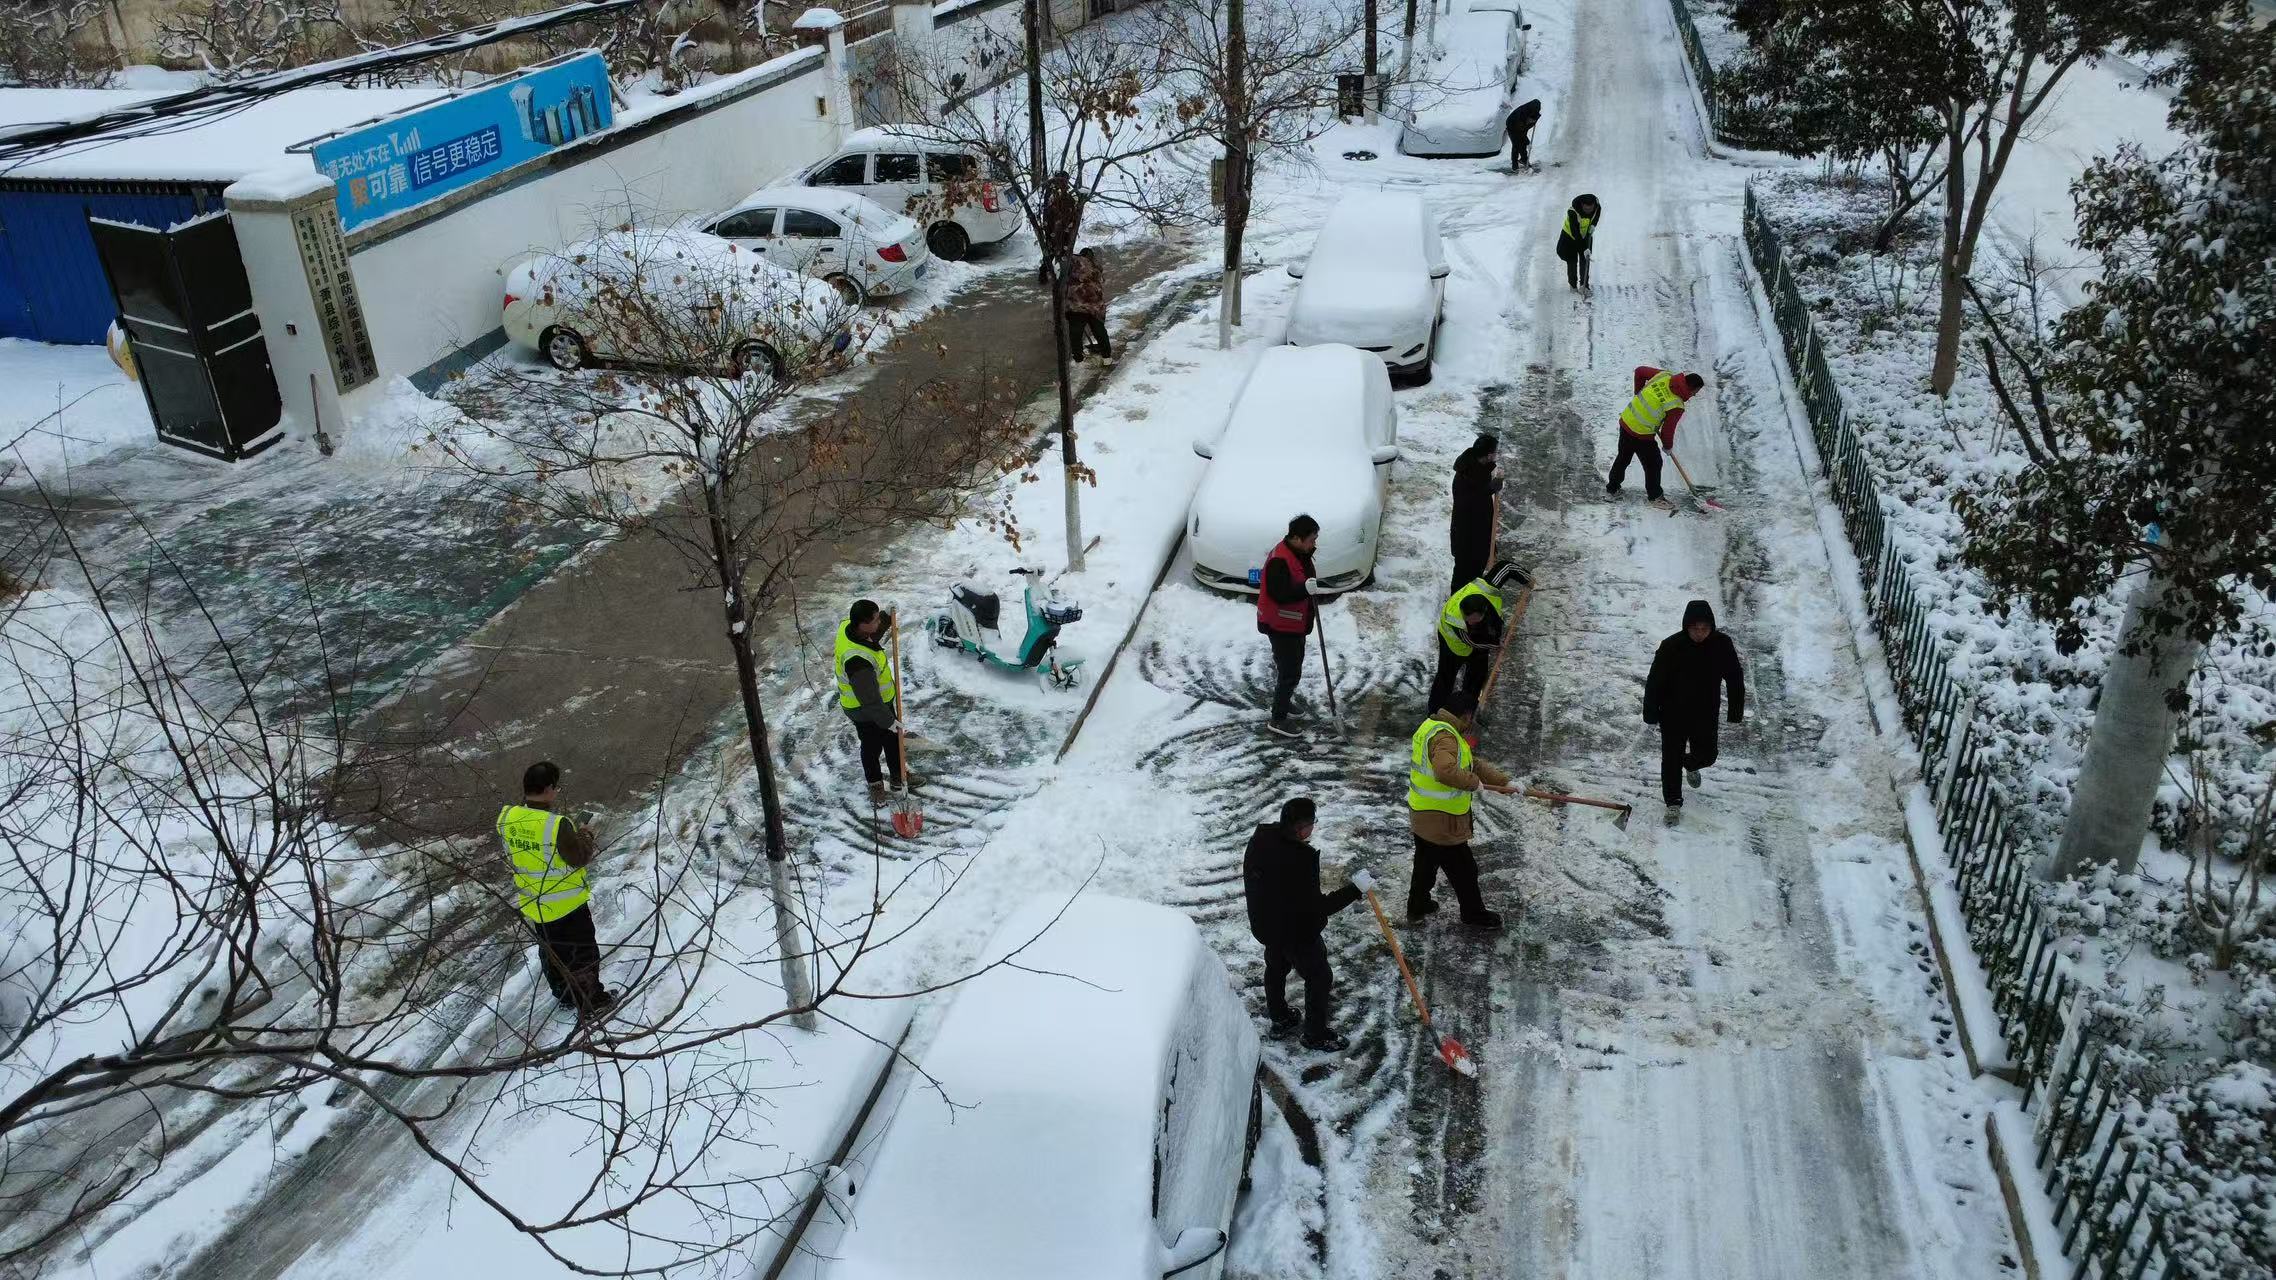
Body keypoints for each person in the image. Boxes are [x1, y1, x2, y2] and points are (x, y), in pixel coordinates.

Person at [1242, 797, 1368, 1052]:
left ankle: (1280, 1017)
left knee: (1276, 967)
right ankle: (1315, 1035)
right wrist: (1355, 890)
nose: (1313, 828)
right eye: (1312, 823)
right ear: (1301, 828)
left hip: (1267, 925)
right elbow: (1316, 907)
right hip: (1295, 931)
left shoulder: (1261, 839)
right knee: (1319, 977)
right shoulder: (1299, 859)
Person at [499, 761, 618, 1018]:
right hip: (566, 903)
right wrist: (585, 835)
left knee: (552, 952)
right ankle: (592, 1003)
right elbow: (578, 858)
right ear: (549, 788)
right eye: (557, 787)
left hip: (535, 903)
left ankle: (565, 996)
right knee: (581, 952)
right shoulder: (557, 825)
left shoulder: (509, 817)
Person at [1406, 690, 1514, 929]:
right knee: (1465, 871)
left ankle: (1417, 905)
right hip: (1442, 821)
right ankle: (1473, 914)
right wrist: (1472, 782)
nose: (1471, 723)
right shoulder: (1445, 736)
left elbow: (1470, 763)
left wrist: (1504, 783)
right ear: (1465, 715)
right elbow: (1445, 771)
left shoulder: (1433, 725)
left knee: (1425, 864)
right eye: (1471, 718)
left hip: (1423, 813)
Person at [1643, 599, 1746, 820]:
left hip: (1705, 712)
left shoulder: (1722, 645)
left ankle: (1690, 764)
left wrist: (1735, 712)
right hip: (1672, 713)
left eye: (1704, 629)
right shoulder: (1671, 646)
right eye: (1695, 629)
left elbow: (1735, 678)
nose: (1699, 633)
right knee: (1670, 758)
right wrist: (1650, 711)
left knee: (1708, 755)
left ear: (1711, 627)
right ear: (1686, 627)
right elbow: (1655, 681)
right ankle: (1673, 803)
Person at [1258, 514, 1332, 738]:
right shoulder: (1280, 560)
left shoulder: (1298, 552)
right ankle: (1278, 718)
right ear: (1297, 538)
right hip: (1280, 625)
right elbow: (1279, 594)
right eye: (1311, 540)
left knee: (1292, 668)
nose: (1314, 544)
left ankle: (1284, 702)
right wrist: (1304, 590)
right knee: (1289, 672)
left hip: (1293, 624)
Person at [1430, 560, 1526, 714]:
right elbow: (1472, 641)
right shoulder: (1456, 621)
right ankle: (1435, 714)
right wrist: (1495, 644)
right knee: (1445, 677)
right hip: (1452, 642)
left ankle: (1467, 711)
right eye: (1466, 618)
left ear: (1484, 611)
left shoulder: (1487, 589)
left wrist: (1528, 579)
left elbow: (1506, 567)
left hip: (1479, 636)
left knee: (1477, 674)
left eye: (1473, 620)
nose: (1468, 621)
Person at [834, 599, 905, 805]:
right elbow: (870, 701)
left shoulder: (848, 626)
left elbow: (874, 632)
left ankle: (899, 779)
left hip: (880, 701)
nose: (877, 623)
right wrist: (889, 721)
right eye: (874, 621)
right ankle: (876, 785)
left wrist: (886, 616)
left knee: (893, 740)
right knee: (872, 745)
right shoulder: (858, 662)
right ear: (862, 625)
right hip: (862, 709)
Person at [1606, 366, 1707, 505]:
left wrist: (1638, 393)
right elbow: (1667, 430)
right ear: (1690, 388)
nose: (1694, 395)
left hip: (1627, 421)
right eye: (1696, 392)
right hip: (1642, 434)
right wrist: (1667, 447)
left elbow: (1640, 371)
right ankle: (1655, 497)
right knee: (1654, 464)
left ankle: (1612, 488)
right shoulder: (1676, 405)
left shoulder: (1664, 376)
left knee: (1623, 457)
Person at [1449, 433, 1502, 593]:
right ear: (1487, 455)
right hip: (1467, 537)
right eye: (1494, 452)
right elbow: (1468, 502)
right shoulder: (1465, 474)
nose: (1495, 455)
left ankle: (1470, 604)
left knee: (1475, 574)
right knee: (1463, 574)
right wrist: (1489, 489)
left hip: (1479, 532)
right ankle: (1456, 606)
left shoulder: (1479, 468)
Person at [1062, 247, 1111, 363]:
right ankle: (1107, 357)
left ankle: (1078, 357)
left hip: (1077, 305)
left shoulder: (1074, 262)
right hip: (1095, 306)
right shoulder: (1096, 268)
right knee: (1099, 330)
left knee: (1076, 332)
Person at [1039, 171, 1082, 285]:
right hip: (1055, 228)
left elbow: (1071, 211)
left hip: (1062, 229)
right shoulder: (1052, 194)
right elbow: (1049, 213)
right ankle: (1046, 274)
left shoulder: (1062, 194)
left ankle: (1062, 277)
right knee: (1054, 251)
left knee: (1061, 252)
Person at [1556, 193, 1601, 292]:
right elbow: (1575, 233)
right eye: (1586, 209)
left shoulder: (1597, 207)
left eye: (1591, 208)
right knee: (1572, 261)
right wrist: (1584, 248)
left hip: (1585, 235)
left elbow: (1597, 214)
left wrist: (1593, 224)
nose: (1589, 211)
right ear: (1581, 205)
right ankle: (1573, 286)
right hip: (1569, 237)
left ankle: (1584, 285)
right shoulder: (1573, 212)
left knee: (1585, 260)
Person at [1505, 98, 1542, 170]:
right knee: (1516, 144)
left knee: (1523, 143)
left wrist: (1526, 142)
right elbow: (1520, 133)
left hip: (1523, 127)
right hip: (1512, 125)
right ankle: (1514, 165)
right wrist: (1528, 141)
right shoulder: (1521, 114)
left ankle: (1524, 159)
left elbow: (1525, 129)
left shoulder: (1535, 113)